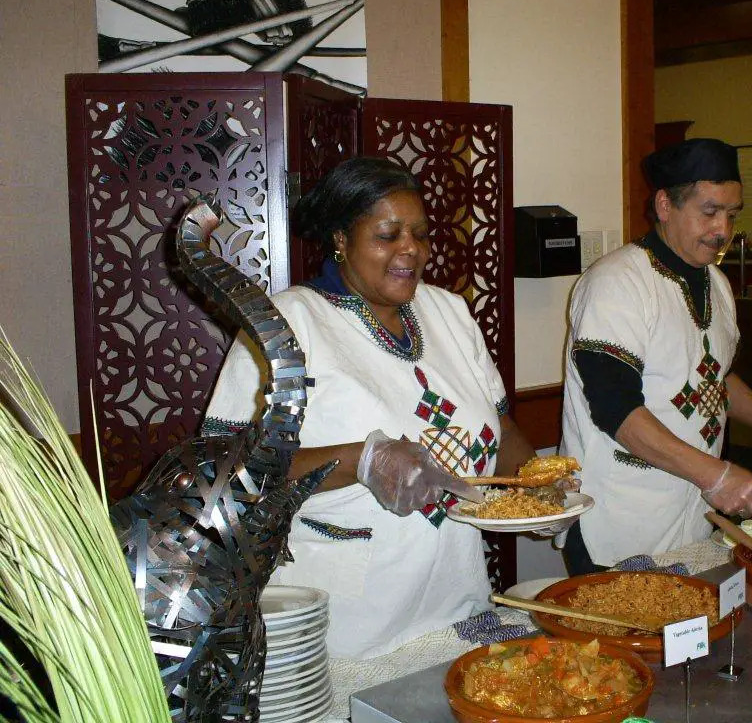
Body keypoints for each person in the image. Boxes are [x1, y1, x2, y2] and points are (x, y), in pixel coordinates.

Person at [202, 157, 539, 660]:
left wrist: (538, 487)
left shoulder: (449, 312)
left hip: (456, 594)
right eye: (389, 235)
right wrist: (362, 458)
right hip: (353, 620)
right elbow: (226, 470)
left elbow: (501, 428)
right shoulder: (286, 322)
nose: (412, 250)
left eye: (421, 235)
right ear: (341, 238)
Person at [559, 138, 752, 574]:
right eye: (710, 211)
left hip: (692, 517)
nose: (723, 230)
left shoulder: (716, 283)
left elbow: (714, 380)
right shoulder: (616, 283)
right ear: (664, 205)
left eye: (732, 214)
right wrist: (716, 476)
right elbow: (615, 409)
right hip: (619, 521)